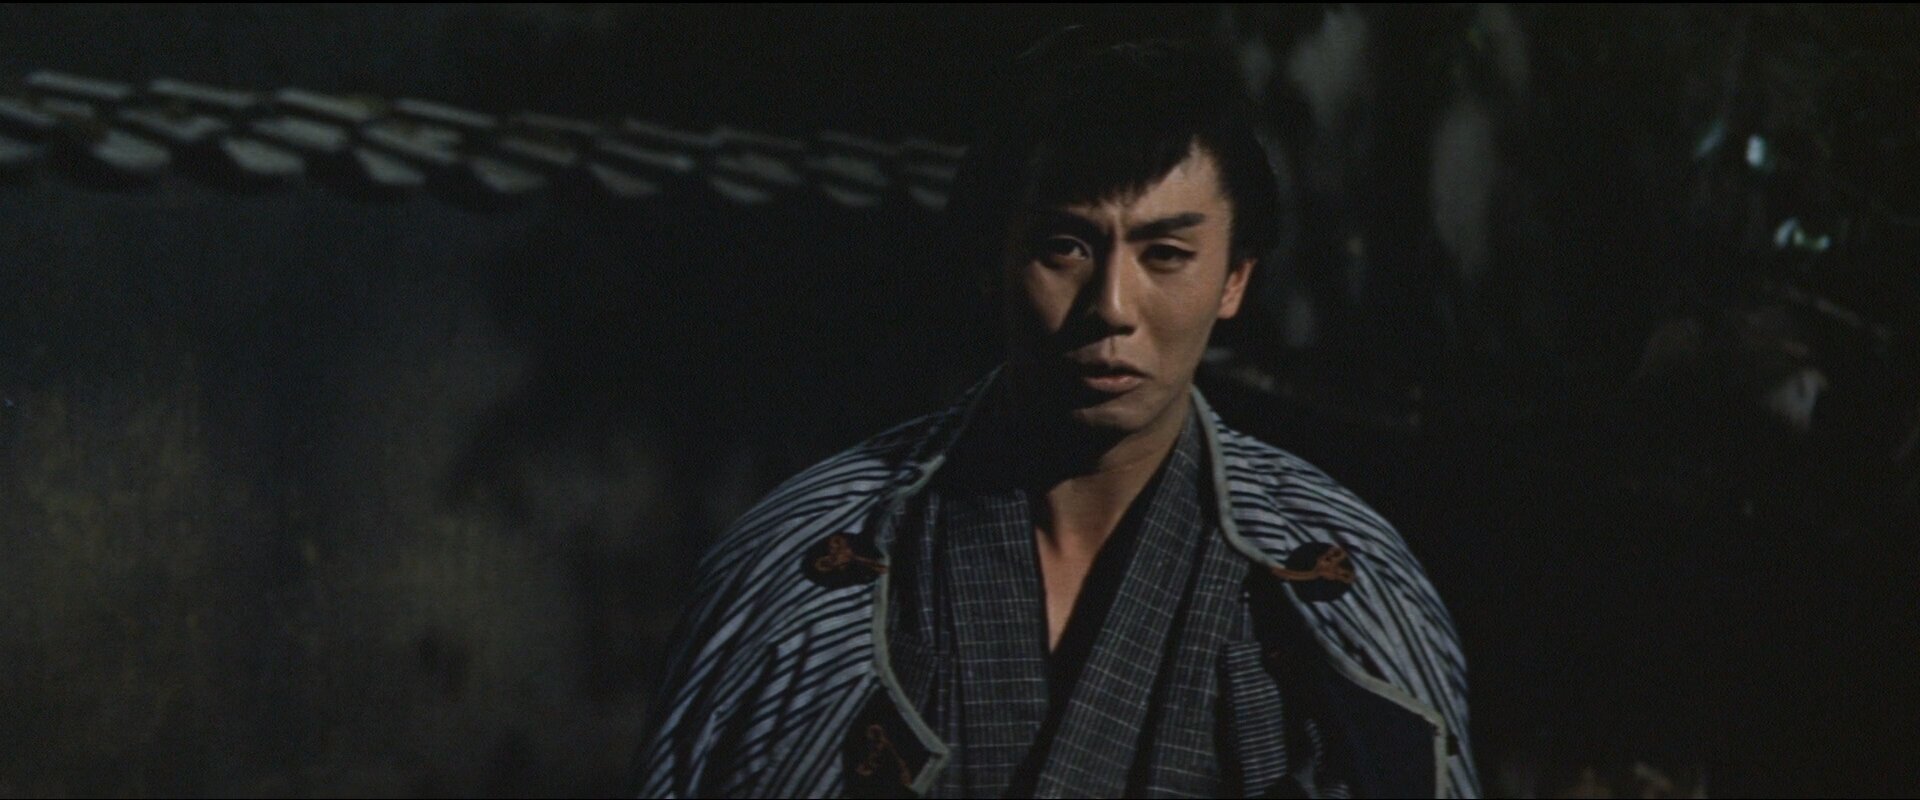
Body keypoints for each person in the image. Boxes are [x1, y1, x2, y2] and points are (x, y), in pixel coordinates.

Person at [634, 30, 1479, 799]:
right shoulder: (803, 559)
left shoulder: (1342, 577)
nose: (1111, 305)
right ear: (992, 258)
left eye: (1166, 254)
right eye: (1064, 247)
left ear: (1234, 280)